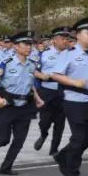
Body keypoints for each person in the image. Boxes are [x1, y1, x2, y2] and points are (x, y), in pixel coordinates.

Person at [0, 30, 44, 175]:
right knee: (2, 139)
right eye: (25, 44)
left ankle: (6, 167)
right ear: (15, 46)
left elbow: (29, 83)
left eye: (30, 44)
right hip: (8, 105)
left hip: (25, 106)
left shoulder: (31, 65)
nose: (29, 47)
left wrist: (37, 98)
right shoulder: (5, 64)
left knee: (19, 140)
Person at [50, 17, 88, 176]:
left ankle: (63, 155)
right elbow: (55, 75)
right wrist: (74, 82)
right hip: (75, 100)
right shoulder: (69, 54)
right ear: (78, 35)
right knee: (79, 136)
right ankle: (71, 171)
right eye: (87, 32)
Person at [33, 26, 71, 155]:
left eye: (67, 39)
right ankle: (43, 134)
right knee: (44, 121)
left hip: (63, 91)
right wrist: (41, 76)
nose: (65, 41)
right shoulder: (44, 54)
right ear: (54, 40)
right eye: (62, 38)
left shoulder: (71, 54)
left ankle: (54, 149)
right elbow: (34, 70)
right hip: (47, 91)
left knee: (60, 122)